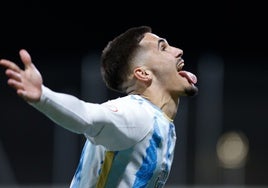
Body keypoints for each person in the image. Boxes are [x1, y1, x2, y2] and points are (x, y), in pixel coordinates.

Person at [0, 26, 198, 187]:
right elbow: (88, 115)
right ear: (143, 74)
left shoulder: (160, 123)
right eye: (163, 47)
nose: (178, 51)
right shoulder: (138, 114)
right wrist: (43, 96)